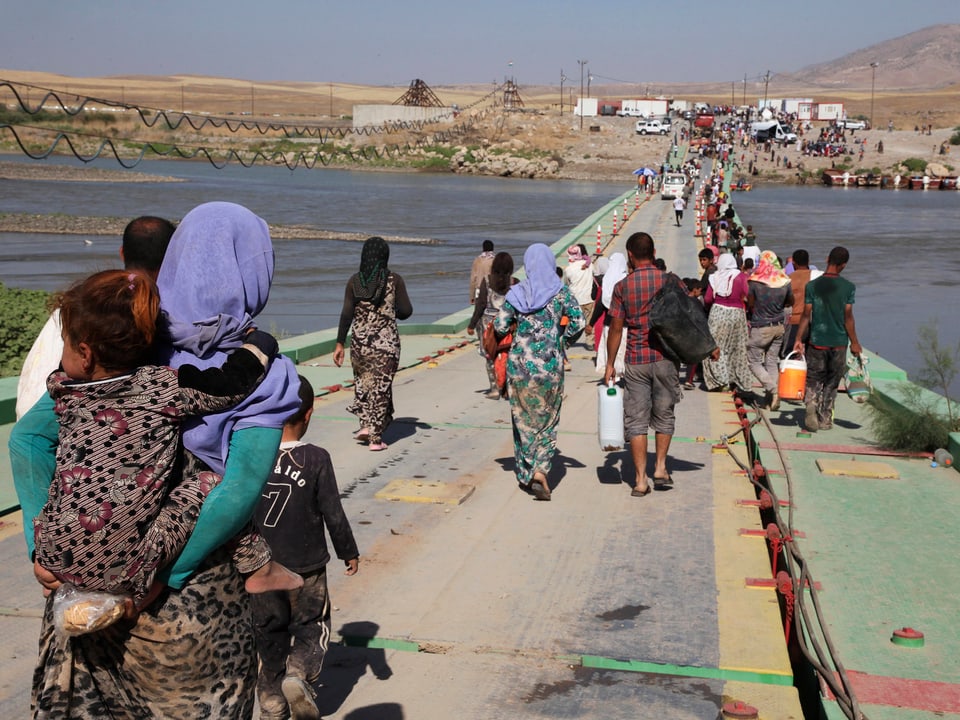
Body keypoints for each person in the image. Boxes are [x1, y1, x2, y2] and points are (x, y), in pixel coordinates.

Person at [11, 201, 303, 717]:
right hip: (189, 617)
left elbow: (29, 440)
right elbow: (234, 493)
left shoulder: (127, 339)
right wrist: (161, 577)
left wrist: (42, 544)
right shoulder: (269, 380)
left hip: (83, 596)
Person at [34, 269, 298, 632]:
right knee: (211, 479)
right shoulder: (163, 388)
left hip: (53, 554)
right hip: (126, 569)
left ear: (85, 353)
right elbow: (231, 386)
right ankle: (256, 563)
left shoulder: (63, 389)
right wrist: (262, 343)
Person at [251, 376, 360, 720]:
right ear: (309, 414)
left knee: (268, 636)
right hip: (307, 567)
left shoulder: (253, 455)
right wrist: (348, 551)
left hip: (262, 569)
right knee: (312, 625)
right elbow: (332, 511)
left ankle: (271, 705)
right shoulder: (316, 458)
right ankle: (298, 674)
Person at [16, 215, 176, 420]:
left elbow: (29, 410)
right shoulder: (162, 315)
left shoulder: (79, 307)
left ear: (122, 253)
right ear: (173, 260)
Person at [604, 232, 698, 496]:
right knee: (664, 415)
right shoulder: (671, 281)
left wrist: (610, 363)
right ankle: (660, 467)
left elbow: (616, 329)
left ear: (630, 255)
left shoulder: (622, 287)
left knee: (636, 420)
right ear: (654, 252)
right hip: (666, 359)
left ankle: (640, 480)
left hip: (636, 361)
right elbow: (686, 315)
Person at [494, 243, 584, 501]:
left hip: (520, 367)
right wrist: (562, 342)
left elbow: (500, 326)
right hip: (550, 367)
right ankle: (541, 471)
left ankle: (525, 472)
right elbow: (579, 321)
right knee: (547, 419)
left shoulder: (516, 293)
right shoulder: (561, 293)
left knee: (522, 419)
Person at [334, 237, 413, 451]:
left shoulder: (354, 281)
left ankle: (366, 426)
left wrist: (340, 343)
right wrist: (390, 312)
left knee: (365, 385)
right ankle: (376, 439)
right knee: (381, 388)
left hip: (359, 345)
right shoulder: (394, 280)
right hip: (386, 346)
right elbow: (406, 311)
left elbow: (346, 314)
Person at [793, 246, 862, 432]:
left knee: (814, 378)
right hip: (838, 342)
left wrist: (799, 338)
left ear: (827, 258)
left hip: (817, 340)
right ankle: (825, 420)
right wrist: (855, 342)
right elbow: (848, 317)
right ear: (844, 265)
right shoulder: (848, 287)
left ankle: (811, 405)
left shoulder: (813, 286)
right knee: (832, 382)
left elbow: (806, 315)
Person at [746, 251, 793, 409]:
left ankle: (773, 391)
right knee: (772, 362)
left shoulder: (754, 282)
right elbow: (790, 302)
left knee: (753, 362)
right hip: (779, 327)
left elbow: (750, 303)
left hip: (760, 327)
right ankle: (771, 399)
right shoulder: (785, 281)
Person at [701, 253, 752, 391]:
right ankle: (736, 379)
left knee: (716, 347)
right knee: (737, 347)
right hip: (737, 314)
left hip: (718, 313)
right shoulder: (741, 277)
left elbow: (707, 299)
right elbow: (748, 294)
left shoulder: (714, 277)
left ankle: (720, 381)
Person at [467, 251, 514, 399]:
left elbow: (480, 305)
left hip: (489, 325)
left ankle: (494, 388)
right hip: (508, 322)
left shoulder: (487, 281)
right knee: (509, 355)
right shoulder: (514, 283)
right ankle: (507, 387)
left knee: (490, 356)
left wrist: (472, 324)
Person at [593, 252, 628, 378]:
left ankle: (611, 374)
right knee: (623, 350)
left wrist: (591, 323)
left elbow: (600, 304)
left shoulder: (607, 280)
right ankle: (622, 374)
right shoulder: (627, 279)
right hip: (625, 324)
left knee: (610, 350)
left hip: (609, 322)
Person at [782, 249, 812, 357]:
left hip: (794, 321)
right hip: (811, 321)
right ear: (808, 262)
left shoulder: (788, 279)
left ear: (793, 263)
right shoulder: (814, 278)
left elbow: (784, 302)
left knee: (789, 353)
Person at [563, 244, 594, 346]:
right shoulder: (589, 265)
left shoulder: (568, 269)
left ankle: (568, 340)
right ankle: (590, 342)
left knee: (573, 322)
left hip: (575, 301)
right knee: (589, 322)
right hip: (588, 298)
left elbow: (566, 285)